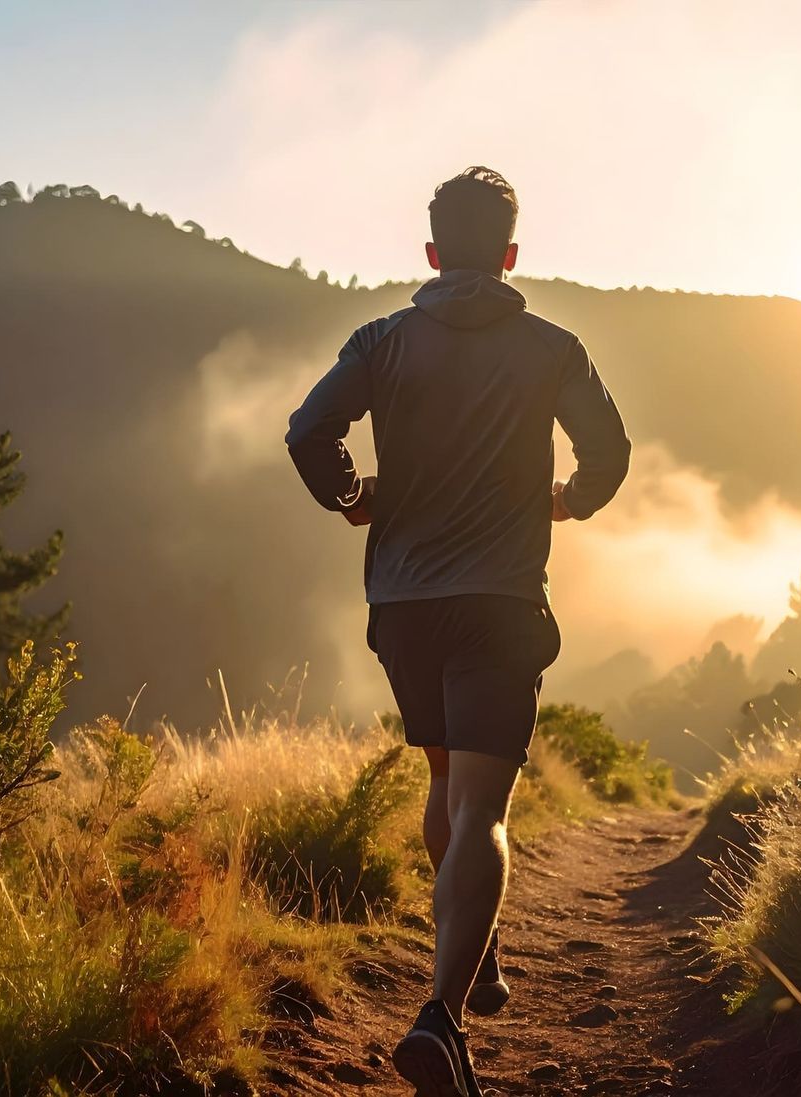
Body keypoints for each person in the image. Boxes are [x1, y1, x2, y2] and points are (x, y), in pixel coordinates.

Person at [285, 166, 630, 1096]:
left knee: (447, 781)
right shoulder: (553, 348)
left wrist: (353, 496)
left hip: (403, 606)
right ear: (512, 255)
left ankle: (472, 954)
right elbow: (612, 452)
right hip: (499, 603)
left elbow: (308, 431)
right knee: (483, 806)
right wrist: (570, 500)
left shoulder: (380, 341)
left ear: (431, 253)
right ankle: (442, 1016)